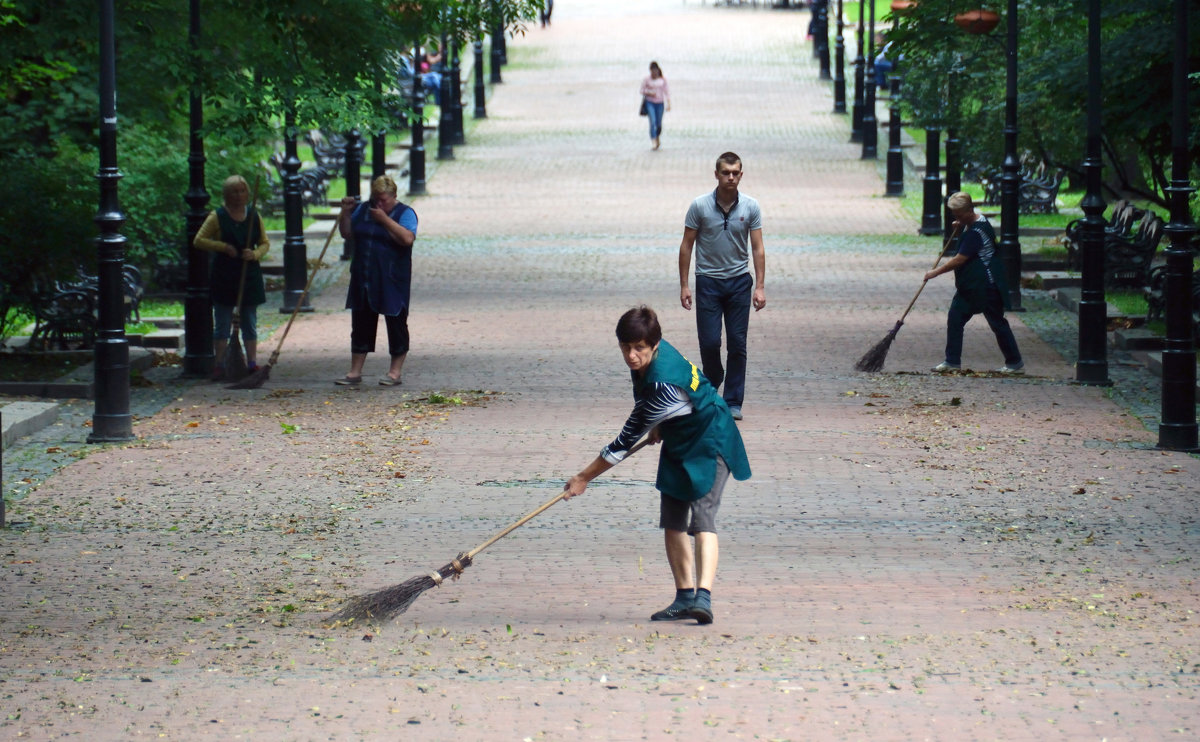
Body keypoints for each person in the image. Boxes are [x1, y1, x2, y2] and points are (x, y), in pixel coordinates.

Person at [562, 306, 751, 625]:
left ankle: (703, 598)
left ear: (655, 346)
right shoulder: (652, 366)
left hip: (711, 438)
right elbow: (670, 401)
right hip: (680, 438)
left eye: (639, 349)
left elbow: (622, 443)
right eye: (626, 348)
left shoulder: (661, 385)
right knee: (673, 518)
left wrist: (583, 477)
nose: (632, 356)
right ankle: (684, 598)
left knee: (702, 515)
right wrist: (664, 419)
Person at [678, 152, 767, 421]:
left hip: (739, 281)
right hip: (708, 282)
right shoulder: (700, 206)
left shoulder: (751, 207)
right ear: (716, 174)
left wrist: (760, 286)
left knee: (738, 344)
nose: (731, 177)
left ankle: (733, 401)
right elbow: (686, 246)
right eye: (726, 172)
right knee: (710, 341)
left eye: (735, 173)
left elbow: (758, 248)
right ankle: (714, 376)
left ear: (741, 174)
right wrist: (684, 285)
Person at [925, 191, 1024, 374]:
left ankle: (1014, 363)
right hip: (973, 285)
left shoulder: (975, 233)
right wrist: (961, 224)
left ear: (970, 210)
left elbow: (959, 259)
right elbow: (968, 229)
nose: (956, 218)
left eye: (959, 214)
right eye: (954, 215)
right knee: (957, 317)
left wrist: (935, 272)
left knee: (996, 322)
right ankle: (952, 361)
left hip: (984, 285)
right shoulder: (980, 221)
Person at [336, 175, 419, 386]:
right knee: (361, 323)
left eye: (384, 200)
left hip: (392, 278)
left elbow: (407, 238)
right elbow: (347, 232)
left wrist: (384, 220)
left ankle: (394, 372)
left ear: (394, 196)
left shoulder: (405, 213)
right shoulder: (364, 210)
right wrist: (345, 213)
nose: (379, 204)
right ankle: (355, 371)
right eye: (376, 199)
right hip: (364, 276)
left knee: (396, 322)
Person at [192, 174, 269, 381]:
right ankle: (220, 364)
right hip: (225, 275)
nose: (238, 195)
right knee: (223, 322)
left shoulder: (254, 215)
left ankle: (251, 362)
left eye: (242, 191)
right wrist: (223, 247)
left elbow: (264, 243)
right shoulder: (217, 216)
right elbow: (199, 240)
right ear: (226, 194)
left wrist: (254, 254)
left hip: (249, 274)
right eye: (234, 191)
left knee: (249, 321)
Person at [639, 61, 671, 150]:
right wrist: (649, 92)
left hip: (660, 103)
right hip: (650, 103)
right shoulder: (647, 79)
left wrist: (669, 103)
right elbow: (641, 90)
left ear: (657, 70)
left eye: (655, 70)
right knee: (652, 122)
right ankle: (653, 140)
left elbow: (667, 92)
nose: (653, 72)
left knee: (659, 124)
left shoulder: (662, 80)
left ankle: (657, 137)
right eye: (652, 71)